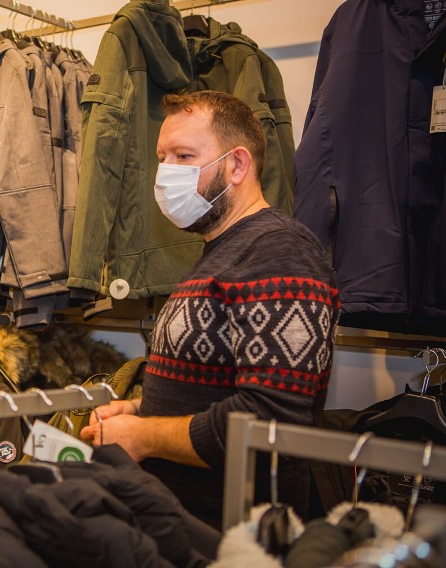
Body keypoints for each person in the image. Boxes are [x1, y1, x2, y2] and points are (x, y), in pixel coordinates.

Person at [80, 91, 340, 529]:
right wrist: (144, 412)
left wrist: (143, 437)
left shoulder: (280, 251)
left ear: (237, 165)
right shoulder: (222, 251)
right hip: (183, 525)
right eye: (163, 158)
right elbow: (215, 388)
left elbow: (266, 421)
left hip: (234, 537)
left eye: (184, 156)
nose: (165, 174)